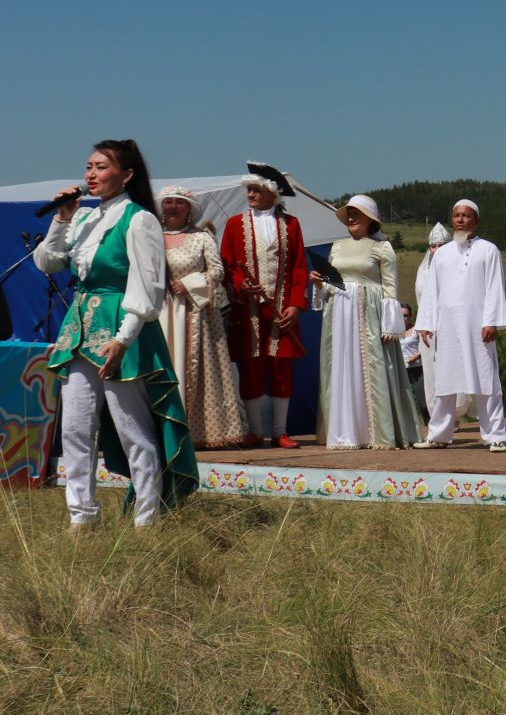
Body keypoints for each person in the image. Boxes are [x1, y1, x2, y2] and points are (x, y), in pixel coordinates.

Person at [35, 139, 198, 525]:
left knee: (131, 428)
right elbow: (47, 262)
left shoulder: (139, 219)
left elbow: (148, 287)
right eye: (88, 166)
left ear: (126, 175)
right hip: (79, 330)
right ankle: (82, 515)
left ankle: (146, 517)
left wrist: (124, 338)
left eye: (101, 166)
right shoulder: (83, 218)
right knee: (75, 427)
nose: (91, 174)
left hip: (120, 331)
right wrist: (60, 219)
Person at [315, 195, 421, 449]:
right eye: (349, 214)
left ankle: (377, 432)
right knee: (342, 367)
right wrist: (320, 284)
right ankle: (344, 431)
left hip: (368, 313)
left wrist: (390, 325)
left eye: (357, 214)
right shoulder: (337, 246)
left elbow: (390, 288)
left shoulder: (382, 247)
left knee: (371, 368)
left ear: (369, 219)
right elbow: (332, 283)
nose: (351, 218)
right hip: (340, 313)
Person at [221, 172, 312, 448]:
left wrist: (296, 304)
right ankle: (255, 431)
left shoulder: (291, 225)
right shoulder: (234, 224)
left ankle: (280, 431)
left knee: (281, 368)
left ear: (273, 193)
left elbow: (299, 267)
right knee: (250, 368)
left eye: (256, 190)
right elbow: (227, 265)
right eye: (248, 190)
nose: (250, 195)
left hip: (282, 311)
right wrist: (239, 285)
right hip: (247, 313)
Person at [414, 198, 506, 452]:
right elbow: (431, 292)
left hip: (478, 326)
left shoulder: (489, 250)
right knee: (445, 382)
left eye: (466, 215)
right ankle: (439, 435)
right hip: (447, 327)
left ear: (476, 220)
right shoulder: (442, 254)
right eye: (457, 215)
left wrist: (491, 321)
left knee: (486, 381)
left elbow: (494, 288)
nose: (460, 219)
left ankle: (495, 436)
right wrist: (425, 323)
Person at [156, 185, 247, 448]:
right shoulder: (152, 236)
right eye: (168, 202)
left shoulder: (202, 237)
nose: (172, 207)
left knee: (197, 368)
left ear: (189, 209)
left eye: (179, 203)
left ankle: (198, 432)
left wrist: (189, 283)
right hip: (161, 310)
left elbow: (217, 271)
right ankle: (163, 427)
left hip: (194, 312)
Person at [415, 222, 452, 412]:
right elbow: (420, 301)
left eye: (442, 245)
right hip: (428, 330)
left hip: (451, 328)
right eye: (433, 245)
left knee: (451, 372)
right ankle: (436, 415)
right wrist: (422, 325)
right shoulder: (423, 273)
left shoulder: (456, 270)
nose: (437, 249)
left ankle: (454, 413)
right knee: (431, 375)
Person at [399, 303, 427, 421]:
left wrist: (415, 356)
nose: (404, 319)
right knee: (404, 402)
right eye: (401, 316)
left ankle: (430, 426)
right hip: (401, 370)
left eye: (406, 316)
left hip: (416, 369)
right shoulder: (394, 332)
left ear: (410, 316)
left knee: (423, 401)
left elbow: (425, 347)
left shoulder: (416, 330)